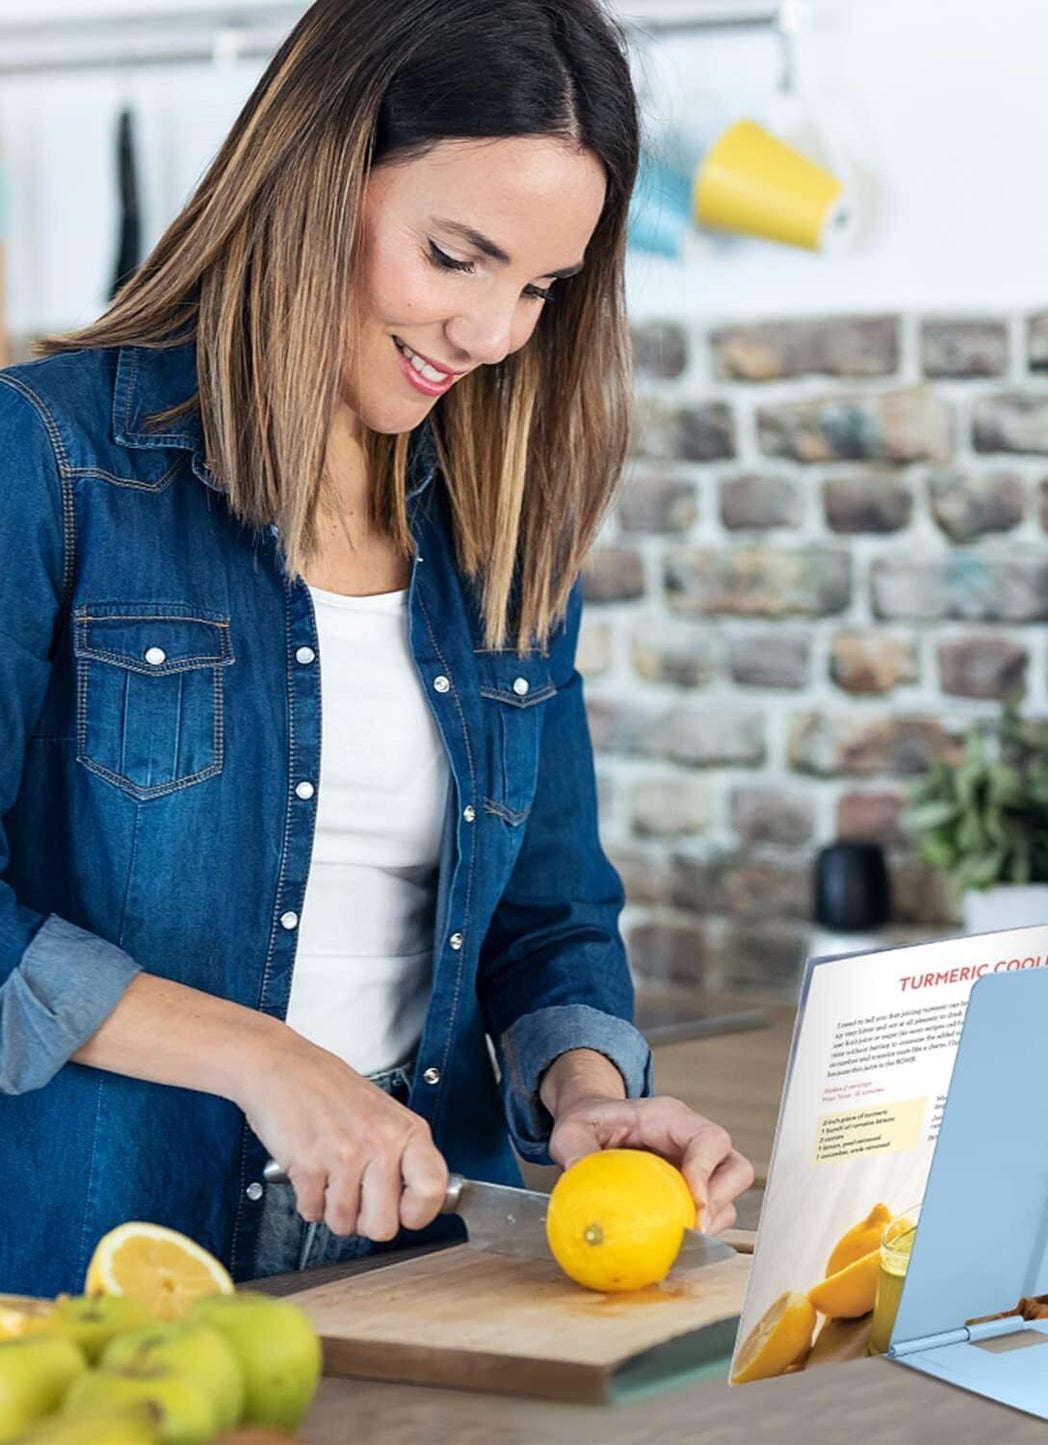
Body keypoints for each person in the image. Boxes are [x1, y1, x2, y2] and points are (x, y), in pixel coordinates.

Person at [0, 0, 752, 1298]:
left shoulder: (506, 523)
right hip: (105, 1268)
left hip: (427, 1266)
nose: (492, 332)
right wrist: (266, 1058)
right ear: (318, 177)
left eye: (539, 287)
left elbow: (549, 911)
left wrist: (585, 1096)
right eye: (456, 255)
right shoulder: (52, 462)